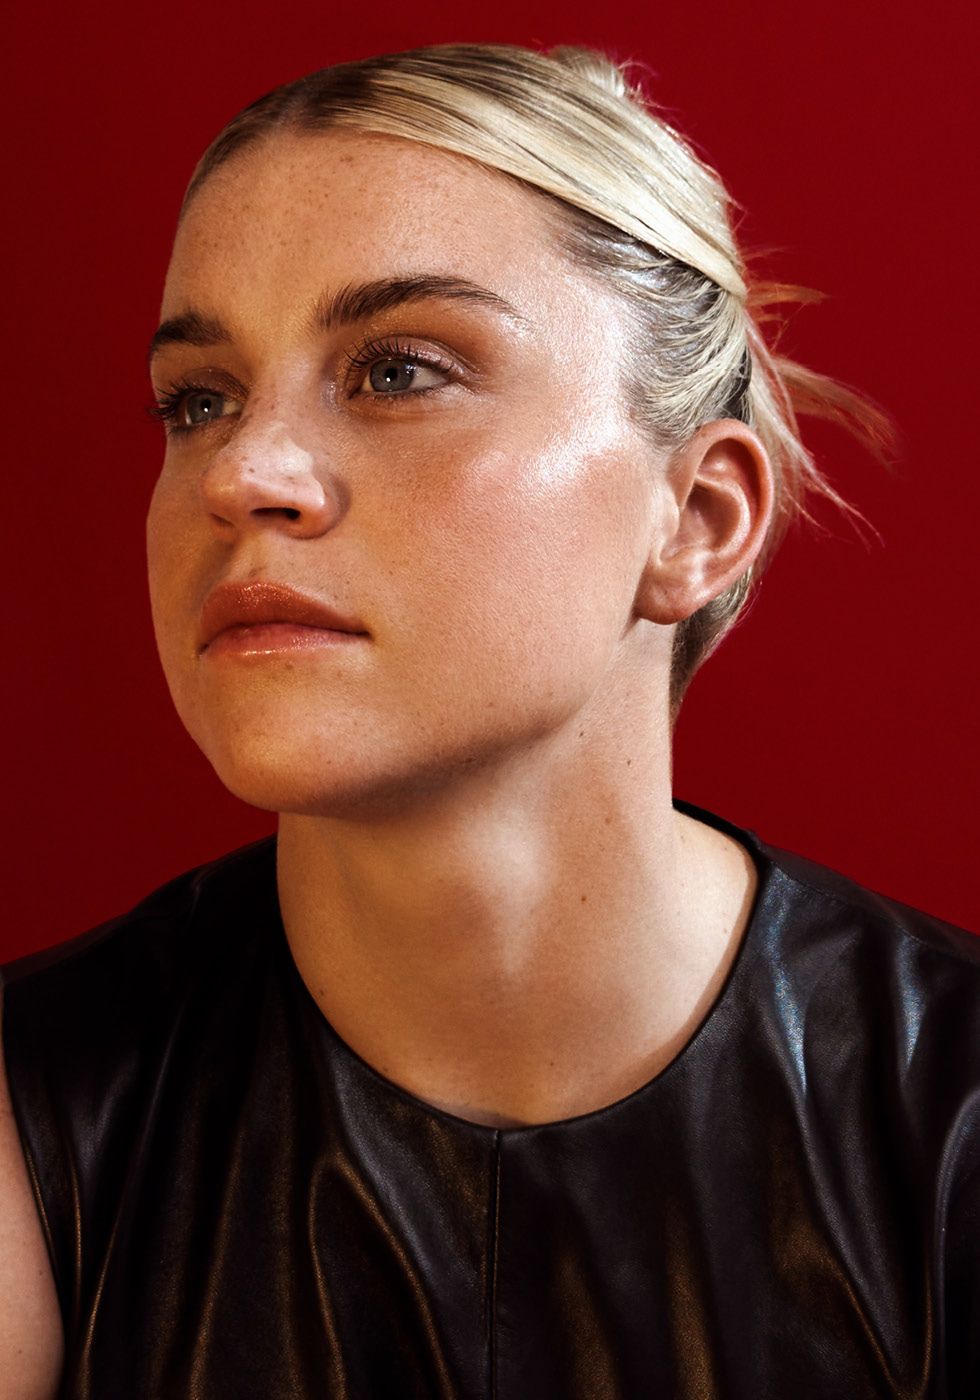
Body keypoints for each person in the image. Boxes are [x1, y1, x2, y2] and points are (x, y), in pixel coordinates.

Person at [1, 41, 977, 1400]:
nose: (242, 472)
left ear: (695, 518)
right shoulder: (27, 1129)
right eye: (198, 398)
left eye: (398, 370)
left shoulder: (950, 1119)